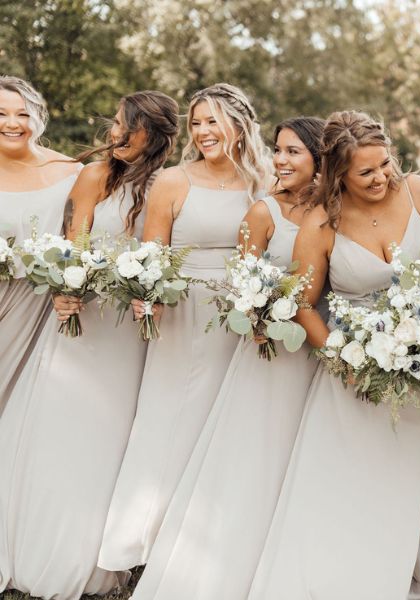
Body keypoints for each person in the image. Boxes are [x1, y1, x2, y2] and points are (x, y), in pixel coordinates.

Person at [248, 111, 420, 599]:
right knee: (349, 481)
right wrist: (343, 357)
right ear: (339, 174)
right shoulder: (321, 223)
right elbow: (301, 303)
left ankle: (406, 574)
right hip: (351, 375)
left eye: (386, 165)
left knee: (408, 476)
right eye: (366, 172)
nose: (381, 178)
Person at [130, 117, 325, 600]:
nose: (280, 160)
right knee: (259, 449)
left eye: (294, 151)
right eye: (278, 150)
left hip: (322, 353)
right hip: (271, 351)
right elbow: (242, 282)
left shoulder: (337, 211)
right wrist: (258, 318)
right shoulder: (262, 212)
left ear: (321, 160)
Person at [0, 90, 179, 599]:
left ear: (155, 134)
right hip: (83, 322)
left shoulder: (170, 184)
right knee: (58, 430)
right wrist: (64, 290)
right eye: (116, 124)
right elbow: (72, 245)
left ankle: (99, 554)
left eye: (127, 127)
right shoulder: (96, 175)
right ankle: (35, 548)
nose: (115, 135)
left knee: (111, 436)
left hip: (131, 334)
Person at [98, 83, 271, 570]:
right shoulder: (175, 181)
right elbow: (152, 253)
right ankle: (140, 545)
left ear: (238, 124)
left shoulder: (265, 180)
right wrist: (147, 298)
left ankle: (202, 545)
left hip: (244, 314)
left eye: (213, 120)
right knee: (169, 419)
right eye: (197, 122)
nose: (203, 131)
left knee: (225, 425)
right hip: (184, 312)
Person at [0, 76, 78, 410]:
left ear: (38, 117)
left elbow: (84, 239)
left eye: (22, 114)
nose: (12, 123)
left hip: (39, 304)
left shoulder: (70, 171)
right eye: (1, 113)